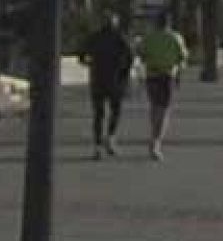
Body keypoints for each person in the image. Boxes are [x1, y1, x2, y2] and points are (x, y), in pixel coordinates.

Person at [79, 12, 133, 160]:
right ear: (115, 23)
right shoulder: (119, 38)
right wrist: (124, 72)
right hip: (115, 79)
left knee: (98, 113)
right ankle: (110, 137)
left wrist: (91, 64)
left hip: (97, 78)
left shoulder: (94, 37)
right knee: (115, 110)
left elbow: (81, 55)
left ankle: (97, 146)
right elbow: (130, 56)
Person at [138, 10, 188, 161]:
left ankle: (154, 136)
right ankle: (156, 141)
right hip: (167, 76)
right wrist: (179, 75)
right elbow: (182, 58)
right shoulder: (176, 38)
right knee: (164, 109)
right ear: (169, 22)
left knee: (154, 107)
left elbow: (141, 55)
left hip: (152, 75)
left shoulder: (149, 38)